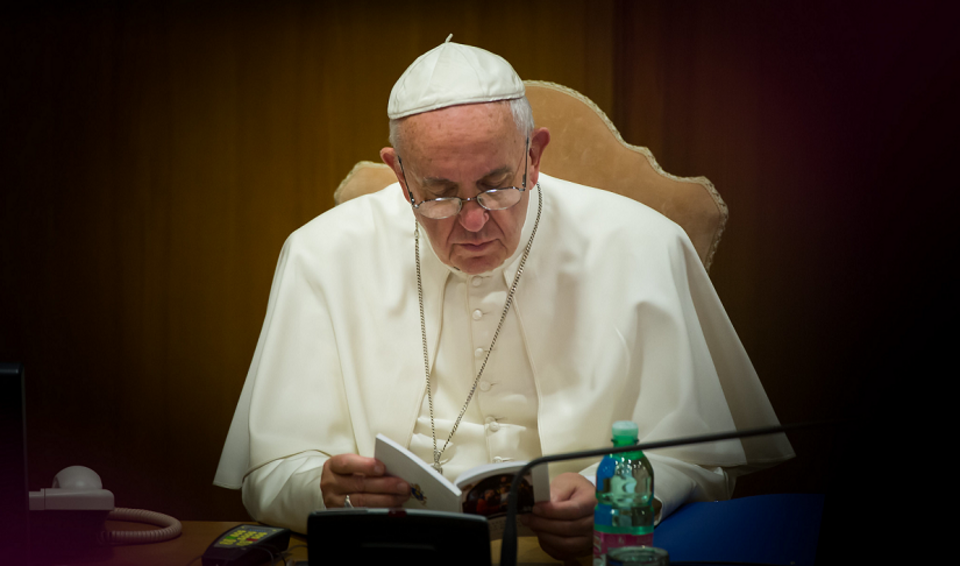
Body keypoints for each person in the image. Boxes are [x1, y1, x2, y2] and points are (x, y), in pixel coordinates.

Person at [214, 37, 794, 561]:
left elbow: (701, 461)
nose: (472, 221)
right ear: (399, 175)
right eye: (438, 194)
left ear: (534, 155)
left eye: (496, 186)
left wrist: (610, 497)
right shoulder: (321, 253)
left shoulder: (642, 244)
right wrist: (322, 486)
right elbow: (267, 475)